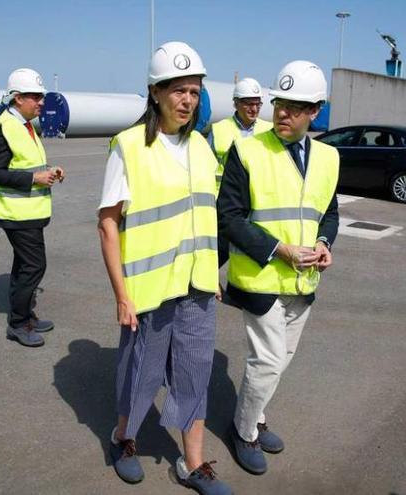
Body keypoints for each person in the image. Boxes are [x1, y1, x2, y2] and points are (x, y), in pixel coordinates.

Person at [97, 41, 232, 495]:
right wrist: (121, 293)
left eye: (193, 91)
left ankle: (192, 464)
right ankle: (124, 438)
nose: (186, 100)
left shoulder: (201, 148)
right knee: (141, 374)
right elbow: (108, 225)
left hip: (196, 286)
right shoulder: (129, 147)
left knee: (196, 372)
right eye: (177, 90)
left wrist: (211, 272)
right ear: (154, 92)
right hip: (148, 288)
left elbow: (203, 216)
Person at [217, 61, 340, 475]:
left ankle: (257, 415)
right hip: (261, 278)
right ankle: (244, 431)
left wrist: (324, 243)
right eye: (279, 104)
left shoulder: (328, 157)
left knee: (282, 359)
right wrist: (278, 249)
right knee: (267, 361)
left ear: (316, 111)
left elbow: (328, 212)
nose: (283, 113)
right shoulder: (247, 149)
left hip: (304, 280)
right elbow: (229, 216)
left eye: (295, 107)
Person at [0, 68, 65, 348]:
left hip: (30, 212)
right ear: (17, 98)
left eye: (41, 96)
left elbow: (26, 165)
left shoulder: (24, 126)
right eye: (35, 97)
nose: (41, 102)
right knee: (34, 266)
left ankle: (25, 315)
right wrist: (34, 178)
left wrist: (49, 171)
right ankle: (18, 324)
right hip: (15, 212)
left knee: (24, 265)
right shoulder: (5, 128)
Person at [208, 78, 273, 189]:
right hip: (227, 195)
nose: (254, 109)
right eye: (249, 104)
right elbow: (206, 168)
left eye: (258, 104)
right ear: (236, 103)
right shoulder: (218, 130)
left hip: (260, 195)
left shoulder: (269, 129)